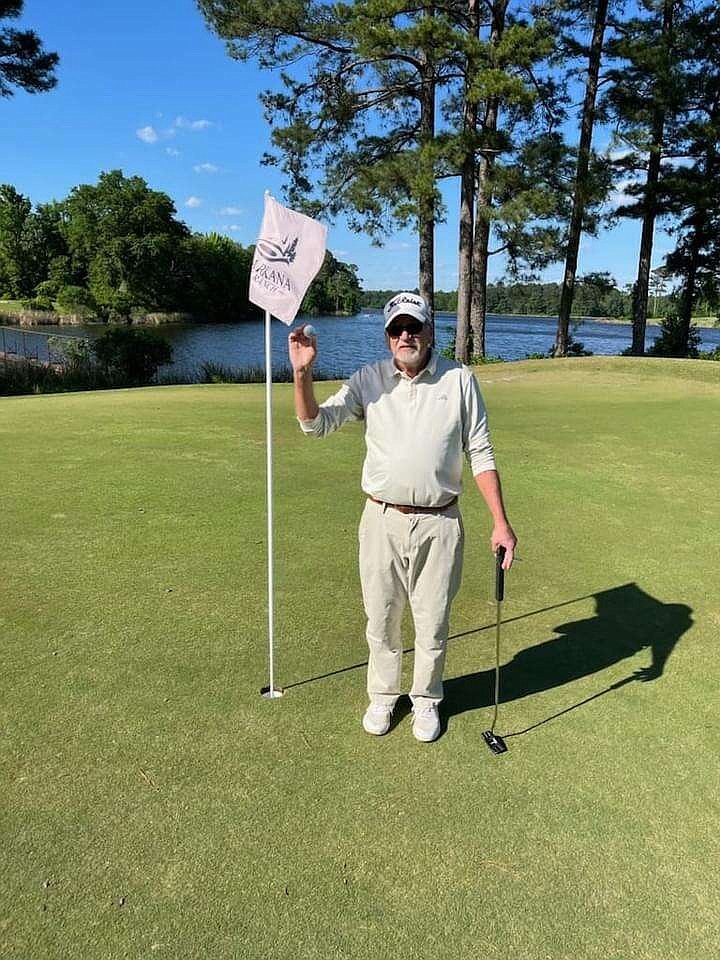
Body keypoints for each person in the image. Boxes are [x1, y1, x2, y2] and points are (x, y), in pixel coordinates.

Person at [288, 291, 517, 742]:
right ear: (388, 336)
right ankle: (383, 696)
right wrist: (302, 374)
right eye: (396, 329)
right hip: (382, 520)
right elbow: (315, 424)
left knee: (432, 620)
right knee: (382, 617)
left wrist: (500, 521)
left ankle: (427, 700)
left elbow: (482, 452)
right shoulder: (368, 380)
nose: (405, 335)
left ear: (430, 330)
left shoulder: (459, 380)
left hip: (441, 521)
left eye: (413, 326)